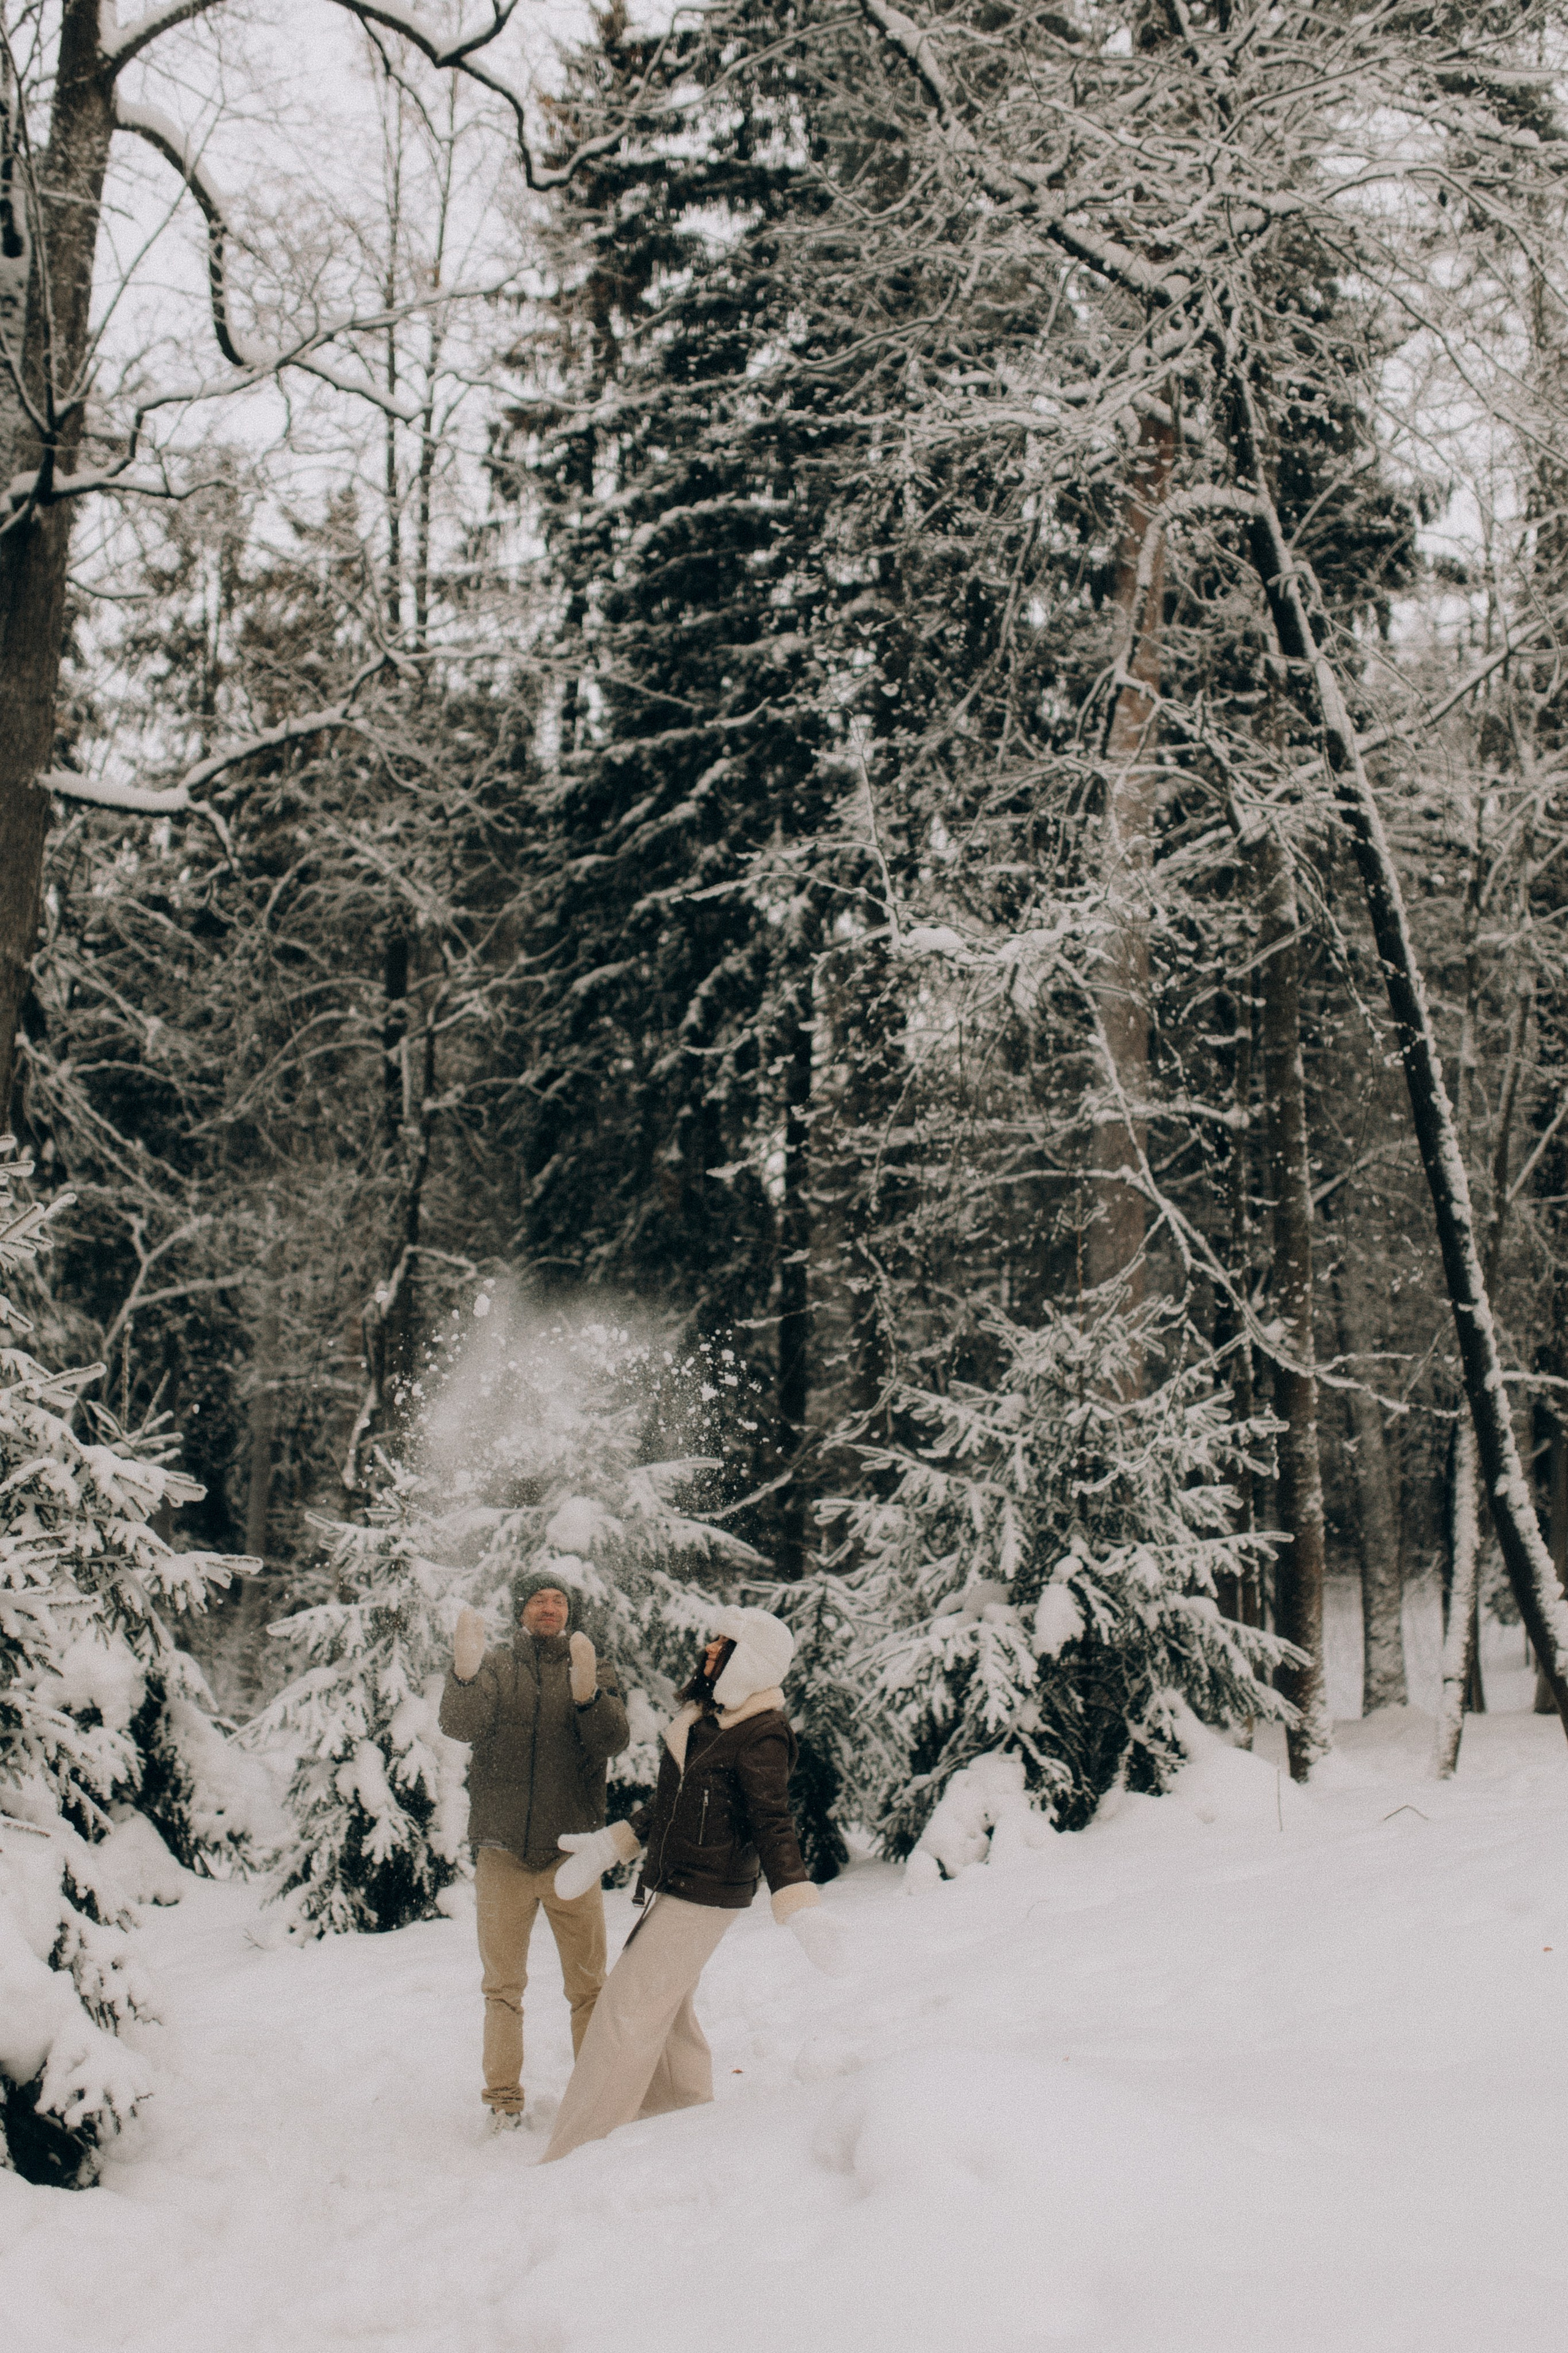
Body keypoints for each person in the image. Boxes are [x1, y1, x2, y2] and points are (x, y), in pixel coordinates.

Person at [541, 1604, 848, 2164]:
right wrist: (613, 1844)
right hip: (680, 1880)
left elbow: (773, 1820)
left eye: (722, 1645)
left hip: (707, 1890)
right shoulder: (710, 1721)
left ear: (748, 1660)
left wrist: (798, 1903)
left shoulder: (762, 1732)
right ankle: (680, 2112)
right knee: (668, 2002)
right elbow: (673, 1805)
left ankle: (576, 2149)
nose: (708, 1650)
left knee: (624, 2009)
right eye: (712, 1641)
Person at [439, 1570, 630, 2128]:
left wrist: (590, 1694)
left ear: (568, 1612)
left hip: (574, 1853)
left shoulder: (593, 1662)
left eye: (558, 1600)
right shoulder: (497, 1664)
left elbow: (613, 1739)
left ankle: (596, 2098)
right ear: (521, 1611)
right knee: (502, 1987)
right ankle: (502, 2101)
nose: (549, 1608)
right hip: (504, 1853)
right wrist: (466, 1675)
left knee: (590, 1986)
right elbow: (459, 1723)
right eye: (538, 1600)